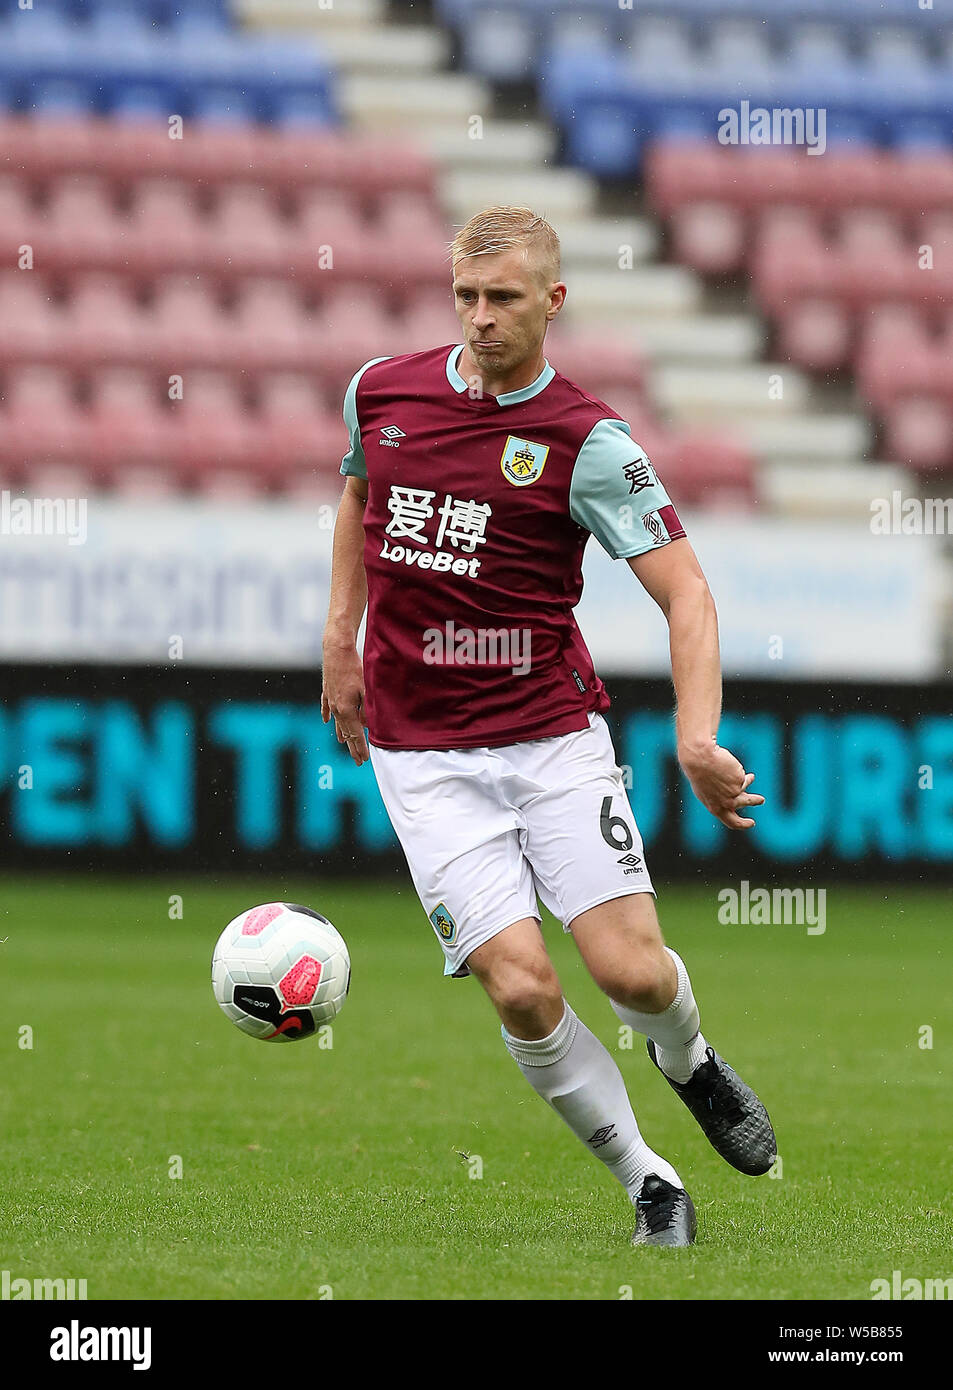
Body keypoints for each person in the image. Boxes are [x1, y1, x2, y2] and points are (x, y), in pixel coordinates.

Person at [321, 206, 775, 1246]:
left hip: (548, 734)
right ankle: (647, 1180)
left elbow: (688, 593)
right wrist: (337, 640)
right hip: (419, 753)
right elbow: (356, 496)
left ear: (551, 303)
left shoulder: (587, 441)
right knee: (521, 988)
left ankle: (688, 1059)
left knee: (630, 974)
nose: (479, 319)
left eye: (503, 299)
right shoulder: (379, 392)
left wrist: (696, 735)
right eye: (466, 298)